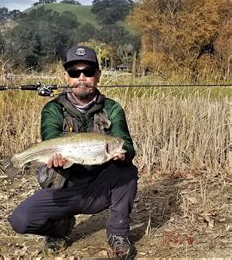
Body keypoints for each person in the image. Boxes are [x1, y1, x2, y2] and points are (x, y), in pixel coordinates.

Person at [8, 45, 138, 258]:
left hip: (99, 188)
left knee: (128, 172)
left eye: (87, 72)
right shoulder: (53, 109)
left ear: (97, 76)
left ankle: (118, 233)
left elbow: (127, 145)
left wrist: (124, 154)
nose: (81, 77)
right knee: (20, 221)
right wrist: (46, 158)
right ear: (66, 77)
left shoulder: (112, 108)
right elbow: (51, 140)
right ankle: (60, 229)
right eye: (74, 72)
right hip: (63, 188)